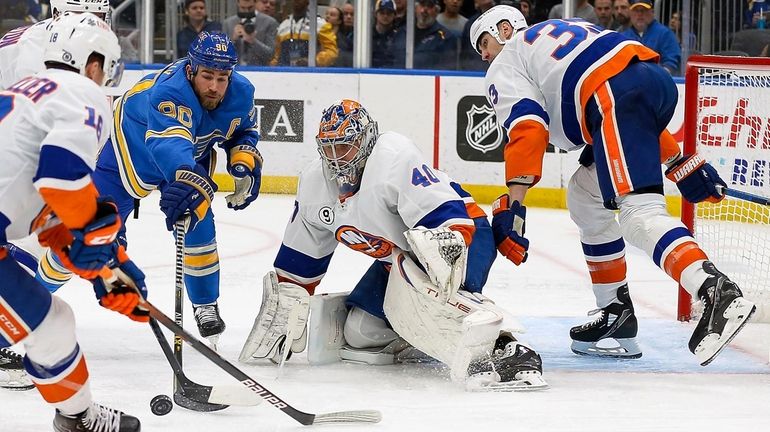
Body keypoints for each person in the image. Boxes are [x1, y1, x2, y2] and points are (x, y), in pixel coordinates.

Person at [470, 5, 756, 366]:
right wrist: (678, 162)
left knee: (639, 215)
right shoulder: (555, 30)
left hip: (612, 98)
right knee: (585, 194)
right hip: (647, 85)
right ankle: (615, 312)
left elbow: (528, 127)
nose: (483, 55)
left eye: (483, 42)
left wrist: (515, 205)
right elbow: (627, 95)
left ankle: (714, 290)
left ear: (505, 29)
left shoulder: (506, 60)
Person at [238, 99, 546, 391]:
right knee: (360, 334)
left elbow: (451, 223)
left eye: (345, 146)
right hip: (402, 260)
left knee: (436, 298)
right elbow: (298, 264)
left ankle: (509, 346)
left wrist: (435, 288)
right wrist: (285, 307)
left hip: (461, 239)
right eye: (329, 148)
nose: (337, 158)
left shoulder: (393, 158)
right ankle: (426, 336)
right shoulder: (314, 184)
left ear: (366, 140)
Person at [37, 31, 263, 346]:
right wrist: (189, 178)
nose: (214, 86)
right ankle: (32, 295)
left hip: (186, 156)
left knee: (199, 221)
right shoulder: (170, 91)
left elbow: (243, 129)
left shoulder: (242, 92)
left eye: (222, 78)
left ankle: (206, 305)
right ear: (191, 70)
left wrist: (243, 161)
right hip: (130, 149)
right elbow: (169, 144)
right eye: (207, 76)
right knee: (88, 235)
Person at [0, 12, 147, 431]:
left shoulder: (25, 93)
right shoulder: (81, 91)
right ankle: (78, 418)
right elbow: (62, 178)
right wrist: (101, 246)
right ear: (95, 62)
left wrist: (108, 268)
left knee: (53, 323)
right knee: (50, 326)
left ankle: (78, 417)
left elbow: (48, 212)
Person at [0, 0, 113, 387]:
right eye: (92, 17)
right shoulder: (53, 58)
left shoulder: (40, 43)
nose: (99, 25)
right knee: (27, 248)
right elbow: (57, 171)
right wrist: (88, 225)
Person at [0, 0, 111, 90]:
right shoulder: (33, 49)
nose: (88, 26)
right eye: (79, 17)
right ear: (57, 15)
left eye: (96, 17)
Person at [394, 0, 458, 70]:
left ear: (436, 11)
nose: (424, 10)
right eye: (422, 5)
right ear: (415, 8)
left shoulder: (445, 38)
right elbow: (390, 61)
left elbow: (447, 70)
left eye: (429, 6)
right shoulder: (401, 33)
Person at [271, 0, 338, 66]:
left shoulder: (320, 24)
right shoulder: (283, 25)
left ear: (308, 1)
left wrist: (313, 61)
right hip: (284, 73)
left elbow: (331, 51)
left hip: (310, 73)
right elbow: (277, 56)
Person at [622, 0, 680, 75]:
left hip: (658, 81)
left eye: (644, 10)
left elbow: (671, 64)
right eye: (636, 10)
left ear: (652, 12)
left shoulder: (665, 34)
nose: (640, 14)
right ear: (630, 13)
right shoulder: (624, 36)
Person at [222, 0, 278, 66]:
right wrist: (233, 39)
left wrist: (253, 41)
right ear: (238, 3)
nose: (247, 11)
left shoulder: (270, 22)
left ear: (255, 3)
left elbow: (270, 55)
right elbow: (222, 55)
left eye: (250, 8)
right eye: (243, 8)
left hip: (259, 71)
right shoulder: (228, 23)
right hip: (234, 70)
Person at [372, 0, 402, 68]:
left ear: (394, 15)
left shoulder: (399, 36)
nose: (385, 16)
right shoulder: (367, 36)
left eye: (389, 13)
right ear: (375, 14)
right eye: (382, 13)